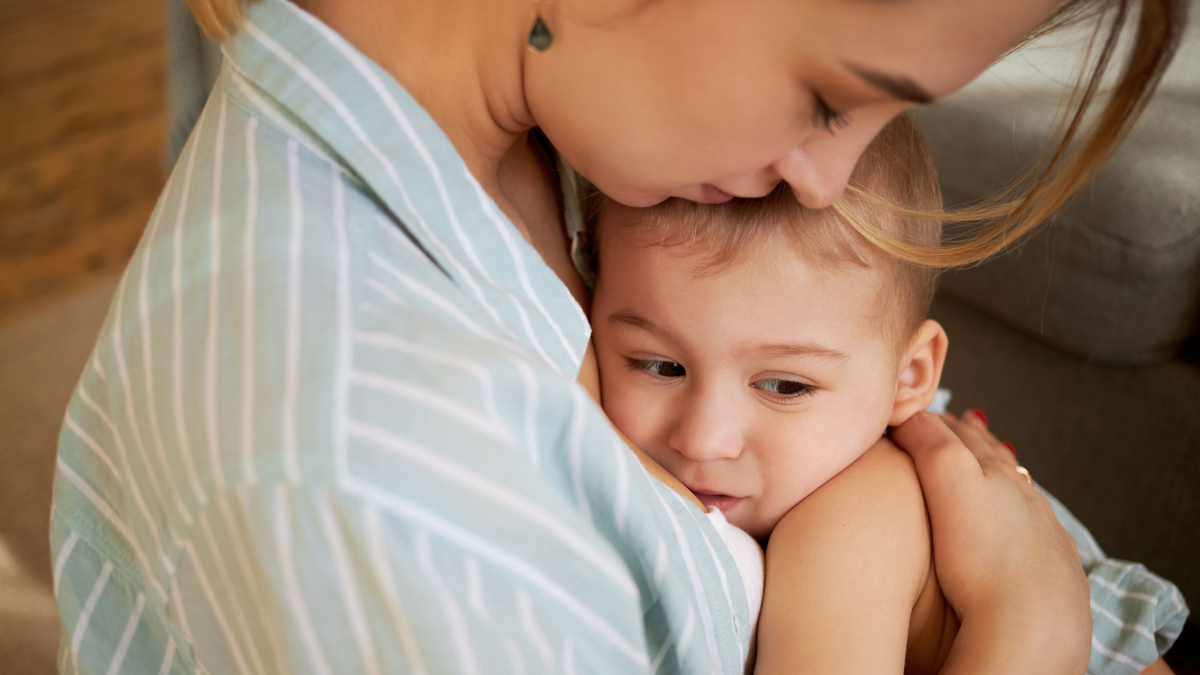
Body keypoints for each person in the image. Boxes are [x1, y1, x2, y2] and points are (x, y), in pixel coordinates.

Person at [50, 0, 1185, 673]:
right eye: (833, 96)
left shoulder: (556, 138)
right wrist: (1030, 620)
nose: (824, 180)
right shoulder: (368, 476)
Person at [582, 114, 1188, 674]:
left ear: (910, 378)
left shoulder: (849, 522)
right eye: (658, 366)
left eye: (786, 385)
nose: (703, 438)